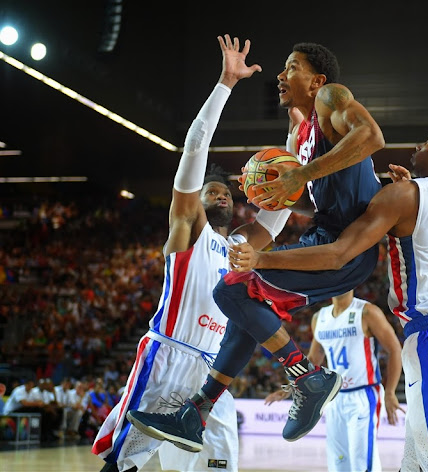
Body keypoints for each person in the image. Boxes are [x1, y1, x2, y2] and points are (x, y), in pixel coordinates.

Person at [127, 40, 385, 449]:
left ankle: (308, 377)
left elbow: (371, 137)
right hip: (324, 233)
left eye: (291, 67)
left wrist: (301, 176)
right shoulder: (298, 133)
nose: (280, 76)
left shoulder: (331, 97)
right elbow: (307, 191)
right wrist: (273, 190)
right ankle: (196, 412)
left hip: (349, 244)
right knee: (246, 307)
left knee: (230, 288)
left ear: (316, 80)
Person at [228, 125, 428, 471]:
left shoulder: (405, 195)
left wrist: (262, 258)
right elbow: (426, 221)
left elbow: (338, 253)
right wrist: (405, 191)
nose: (418, 144)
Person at [92, 34, 277, 472]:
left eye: (228, 193)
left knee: (218, 468)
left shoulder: (240, 247)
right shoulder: (188, 229)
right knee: (124, 464)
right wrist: (225, 85)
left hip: (214, 376)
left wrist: (297, 142)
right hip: (168, 358)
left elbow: (275, 218)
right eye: (211, 191)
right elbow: (195, 149)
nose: (222, 196)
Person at [264, 290, 403, 472]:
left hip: (363, 394)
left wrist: (390, 391)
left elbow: (395, 350)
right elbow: (313, 359)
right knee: (339, 462)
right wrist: (289, 388)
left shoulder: (367, 312)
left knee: (362, 461)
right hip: (333, 396)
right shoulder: (319, 318)